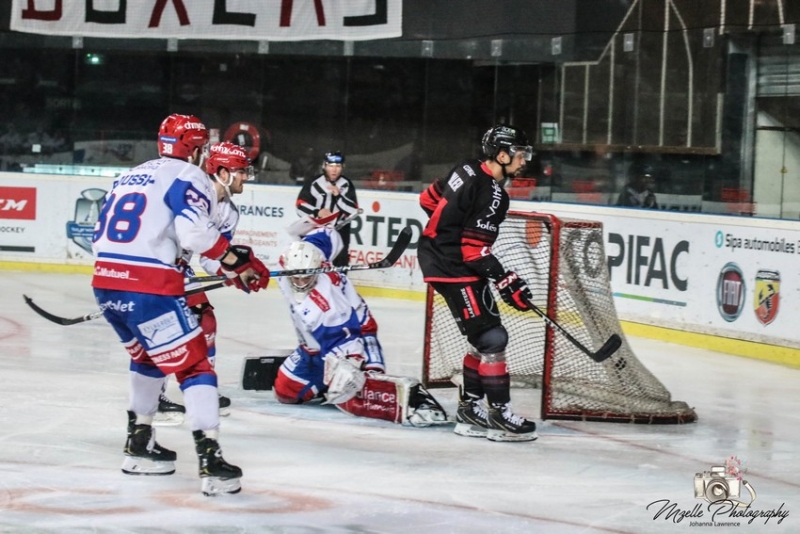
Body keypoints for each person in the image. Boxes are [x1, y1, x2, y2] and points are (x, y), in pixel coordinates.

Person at [91, 113, 271, 496]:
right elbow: (194, 233)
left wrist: (226, 264)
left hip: (106, 284)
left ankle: (138, 445)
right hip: (149, 288)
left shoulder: (130, 174)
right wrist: (237, 262)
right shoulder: (189, 177)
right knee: (195, 365)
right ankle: (211, 462)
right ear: (197, 149)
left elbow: (102, 233)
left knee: (148, 358)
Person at [417, 124, 538, 442]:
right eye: (520, 154)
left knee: (483, 334)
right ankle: (499, 414)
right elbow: (474, 251)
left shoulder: (466, 167)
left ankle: (470, 410)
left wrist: (447, 231)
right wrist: (506, 278)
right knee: (492, 338)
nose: (524, 160)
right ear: (502, 154)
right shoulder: (494, 196)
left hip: (443, 259)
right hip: (453, 266)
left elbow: (428, 200)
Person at [272, 224, 447, 426]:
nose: (301, 281)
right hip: (311, 349)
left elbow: (365, 327)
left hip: (337, 349)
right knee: (283, 394)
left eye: (306, 276)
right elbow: (328, 233)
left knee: (346, 391)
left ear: (318, 269)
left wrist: (371, 366)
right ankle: (322, 384)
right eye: (296, 276)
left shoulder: (331, 301)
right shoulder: (295, 262)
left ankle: (403, 397)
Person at [158, 141, 257, 424]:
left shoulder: (229, 211)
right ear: (223, 173)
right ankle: (154, 396)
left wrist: (234, 271)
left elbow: (210, 259)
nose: (245, 177)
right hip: (157, 262)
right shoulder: (195, 190)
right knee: (163, 327)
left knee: (206, 321)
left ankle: (204, 390)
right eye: (241, 171)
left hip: (179, 265)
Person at [296, 151, 359, 267]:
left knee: (340, 264)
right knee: (311, 260)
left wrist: (338, 196)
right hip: (315, 229)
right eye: (331, 166)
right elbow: (300, 205)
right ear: (324, 166)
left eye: (337, 166)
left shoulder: (347, 184)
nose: (334, 170)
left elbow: (353, 210)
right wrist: (317, 212)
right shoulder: (313, 183)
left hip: (339, 231)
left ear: (342, 167)